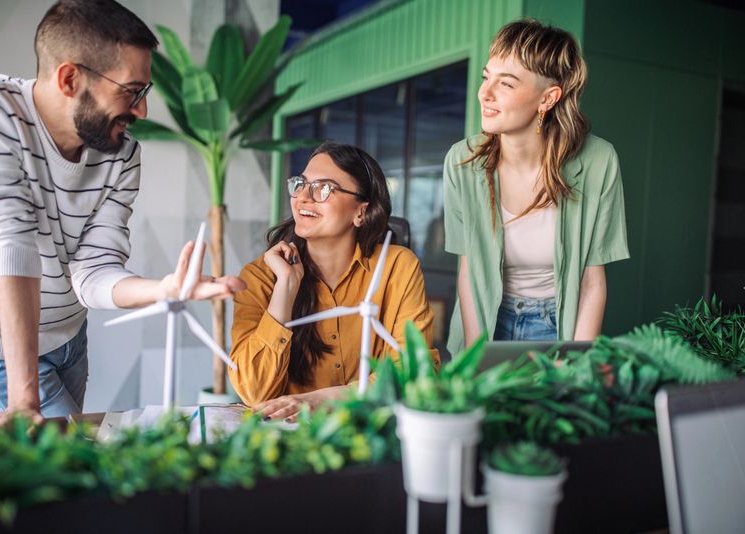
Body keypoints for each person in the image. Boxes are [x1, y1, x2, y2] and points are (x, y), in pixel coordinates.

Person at [0, 0, 244, 449]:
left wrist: (164, 290)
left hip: (70, 335)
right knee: (76, 460)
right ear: (70, 78)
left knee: (60, 470)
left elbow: (93, 272)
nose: (141, 111)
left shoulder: (121, 154)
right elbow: (13, 241)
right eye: (132, 91)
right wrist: (23, 400)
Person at [443, 19, 629, 352]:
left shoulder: (599, 161)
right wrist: (476, 359)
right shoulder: (462, 162)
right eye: (487, 77)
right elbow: (469, 274)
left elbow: (591, 282)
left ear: (548, 98)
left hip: (559, 325)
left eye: (507, 83)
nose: (484, 93)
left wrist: (575, 364)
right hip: (487, 322)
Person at [229, 142, 440, 421]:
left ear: (360, 212)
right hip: (288, 438)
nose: (303, 197)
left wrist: (324, 399)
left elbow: (414, 369)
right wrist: (285, 290)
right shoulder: (260, 277)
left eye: (323, 188)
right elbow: (254, 392)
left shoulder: (397, 266)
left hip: (370, 429)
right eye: (301, 184)